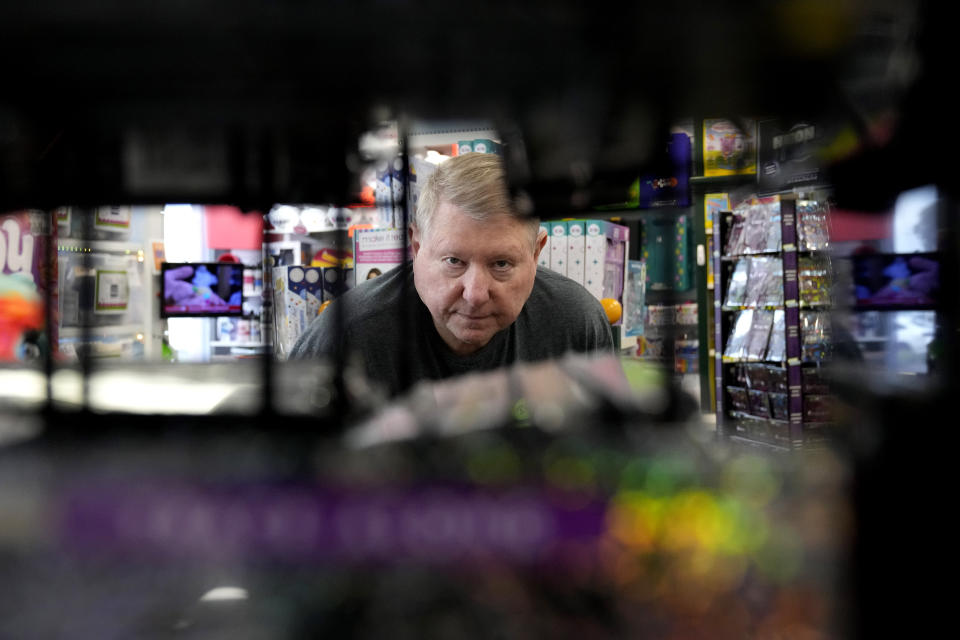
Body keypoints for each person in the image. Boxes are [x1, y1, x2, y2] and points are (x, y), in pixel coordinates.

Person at [289, 152, 616, 397]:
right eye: (454, 261)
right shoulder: (346, 337)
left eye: (501, 264)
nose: (475, 294)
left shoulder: (577, 324)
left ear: (536, 253)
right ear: (416, 248)